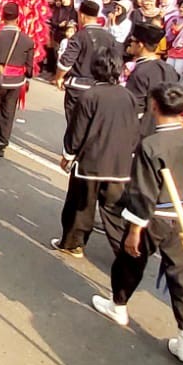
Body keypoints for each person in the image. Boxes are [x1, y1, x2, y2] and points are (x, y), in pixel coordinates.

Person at [90, 83, 183, 363]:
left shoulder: (152, 144)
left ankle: (118, 305)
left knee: (130, 261)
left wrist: (135, 229)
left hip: (154, 216)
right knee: (181, 275)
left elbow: (143, 191)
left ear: (154, 106)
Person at [53, 54, 138, 258]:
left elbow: (77, 130)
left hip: (91, 162)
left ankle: (73, 244)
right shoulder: (129, 97)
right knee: (114, 211)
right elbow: (135, 129)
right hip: (119, 164)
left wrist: (68, 154)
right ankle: (124, 252)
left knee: (81, 206)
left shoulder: (89, 96)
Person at [0, 1, 35, 158]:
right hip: (16, 82)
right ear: (18, 18)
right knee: (7, 112)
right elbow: (30, 69)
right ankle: (3, 142)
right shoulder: (28, 41)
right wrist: (26, 76)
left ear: (2, 17)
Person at [57, 0, 122, 123]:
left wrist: (59, 77)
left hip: (78, 87)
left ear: (81, 15)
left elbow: (66, 62)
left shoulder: (80, 36)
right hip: (101, 88)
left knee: (74, 124)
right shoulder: (110, 37)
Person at [124, 22, 178, 138]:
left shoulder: (140, 71)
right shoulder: (169, 69)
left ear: (140, 45)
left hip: (141, 133)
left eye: (132, 41)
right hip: (166, 131)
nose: (130, 44)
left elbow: (133, 108)